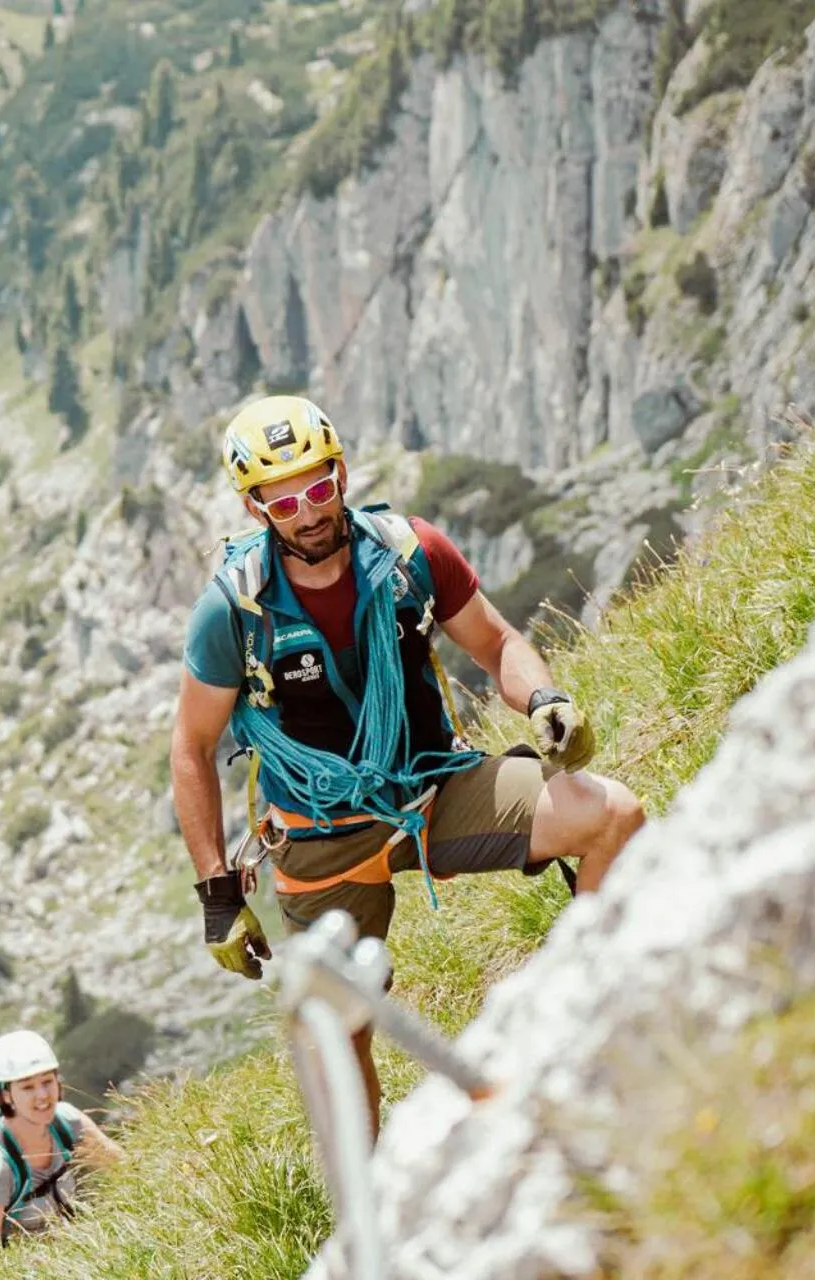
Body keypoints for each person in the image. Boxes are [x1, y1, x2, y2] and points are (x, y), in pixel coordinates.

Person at [169, 394, 645, 1137]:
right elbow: (192, 749)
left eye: (319, 486)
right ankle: (375, 1199)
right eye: (284, 497)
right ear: (255, 506)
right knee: (339, 1027)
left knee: (612, 814)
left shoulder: (408, 553)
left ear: (342, 472)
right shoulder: (233, 610)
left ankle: (591, 1011)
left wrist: (545, 697)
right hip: (318, 831)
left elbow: (494, 643)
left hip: (433, 784)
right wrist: (216, 894)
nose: (308, 510)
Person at [0, 1029, 123, 1266]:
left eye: (47, 1081)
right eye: (27, 1087)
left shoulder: (69, 1122)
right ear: (5, 1095)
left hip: (81, 1258)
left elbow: (128, 1171)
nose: (42, 1095)